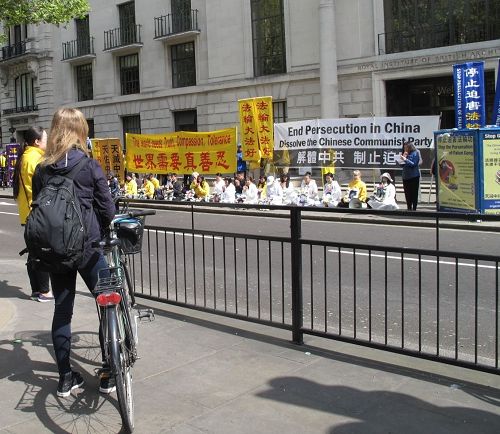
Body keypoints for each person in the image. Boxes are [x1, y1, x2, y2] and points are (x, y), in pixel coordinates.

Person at [31, 108, 115, 397]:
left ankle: (66, 378)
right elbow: (107, 209)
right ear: (81, 132)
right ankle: (109, 372)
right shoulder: (89, 166)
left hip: (56, 252)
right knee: (107, 306)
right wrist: (105, 232)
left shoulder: (42, 168)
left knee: (62, 312)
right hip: (89, 249)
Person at [12, 127, 53, 302]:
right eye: (45, 139)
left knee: (34, 252)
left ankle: (37, 290)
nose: (48, 141)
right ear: (37, 142)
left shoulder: (25, 157)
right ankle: (43, 291)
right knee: (42, 252)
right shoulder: (35, 159)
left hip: (27, 212)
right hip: (36, 212)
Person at [400, 142, 420, 210]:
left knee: (414, 193)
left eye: (406, 147)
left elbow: (413, 164)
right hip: (405, 176)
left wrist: (405, 160)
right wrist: (402, 159)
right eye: (404, 147)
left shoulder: (415, 153)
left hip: (414, 176)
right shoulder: (405, 153)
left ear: (410, 147)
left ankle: (414, 208)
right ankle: (409, 207)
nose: (405, 149)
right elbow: (401, 165)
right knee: (407, 193)